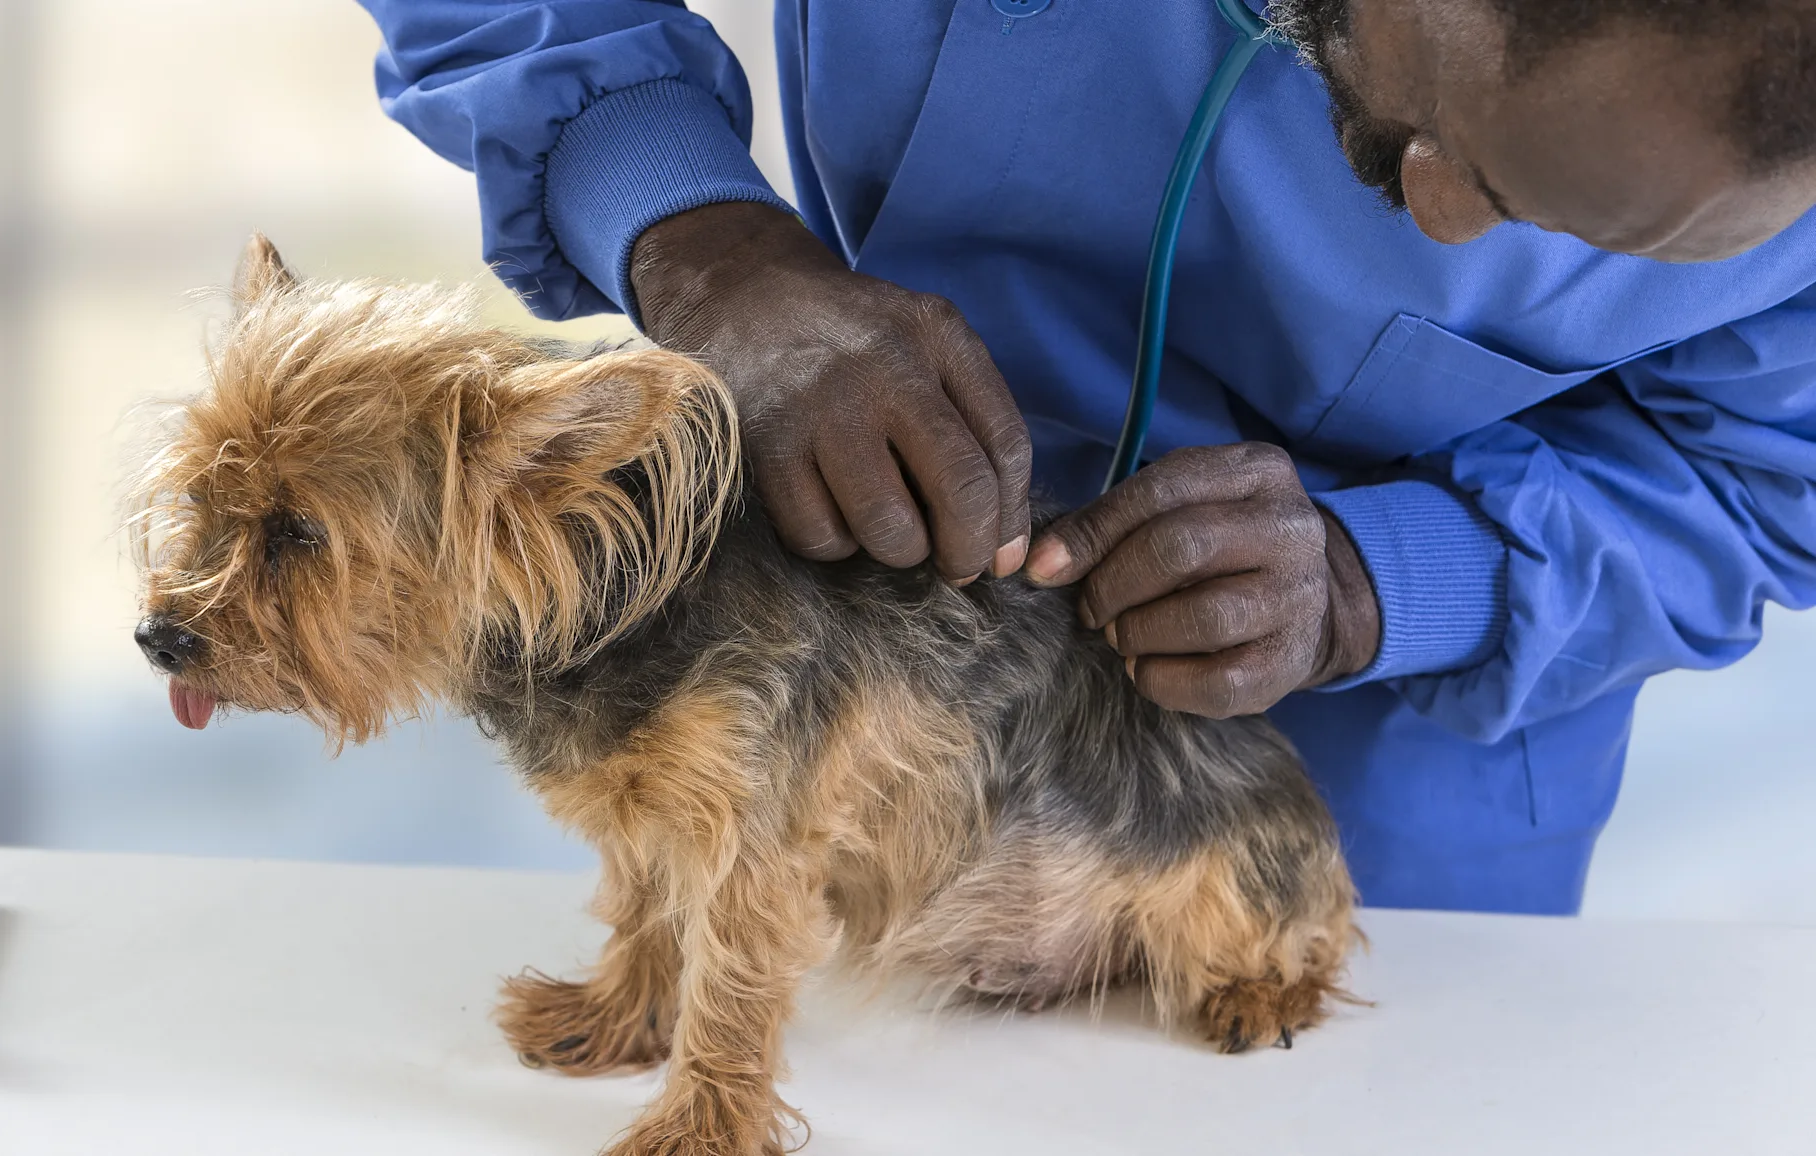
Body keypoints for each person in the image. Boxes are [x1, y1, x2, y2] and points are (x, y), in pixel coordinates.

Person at [357, 0, 1816, 914]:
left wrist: (1386, 584)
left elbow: (1757, 489)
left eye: (1568, 236)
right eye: (1449, 142)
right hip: (857, 706)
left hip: (1383, 820)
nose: (1434, 224)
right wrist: (698, 240)